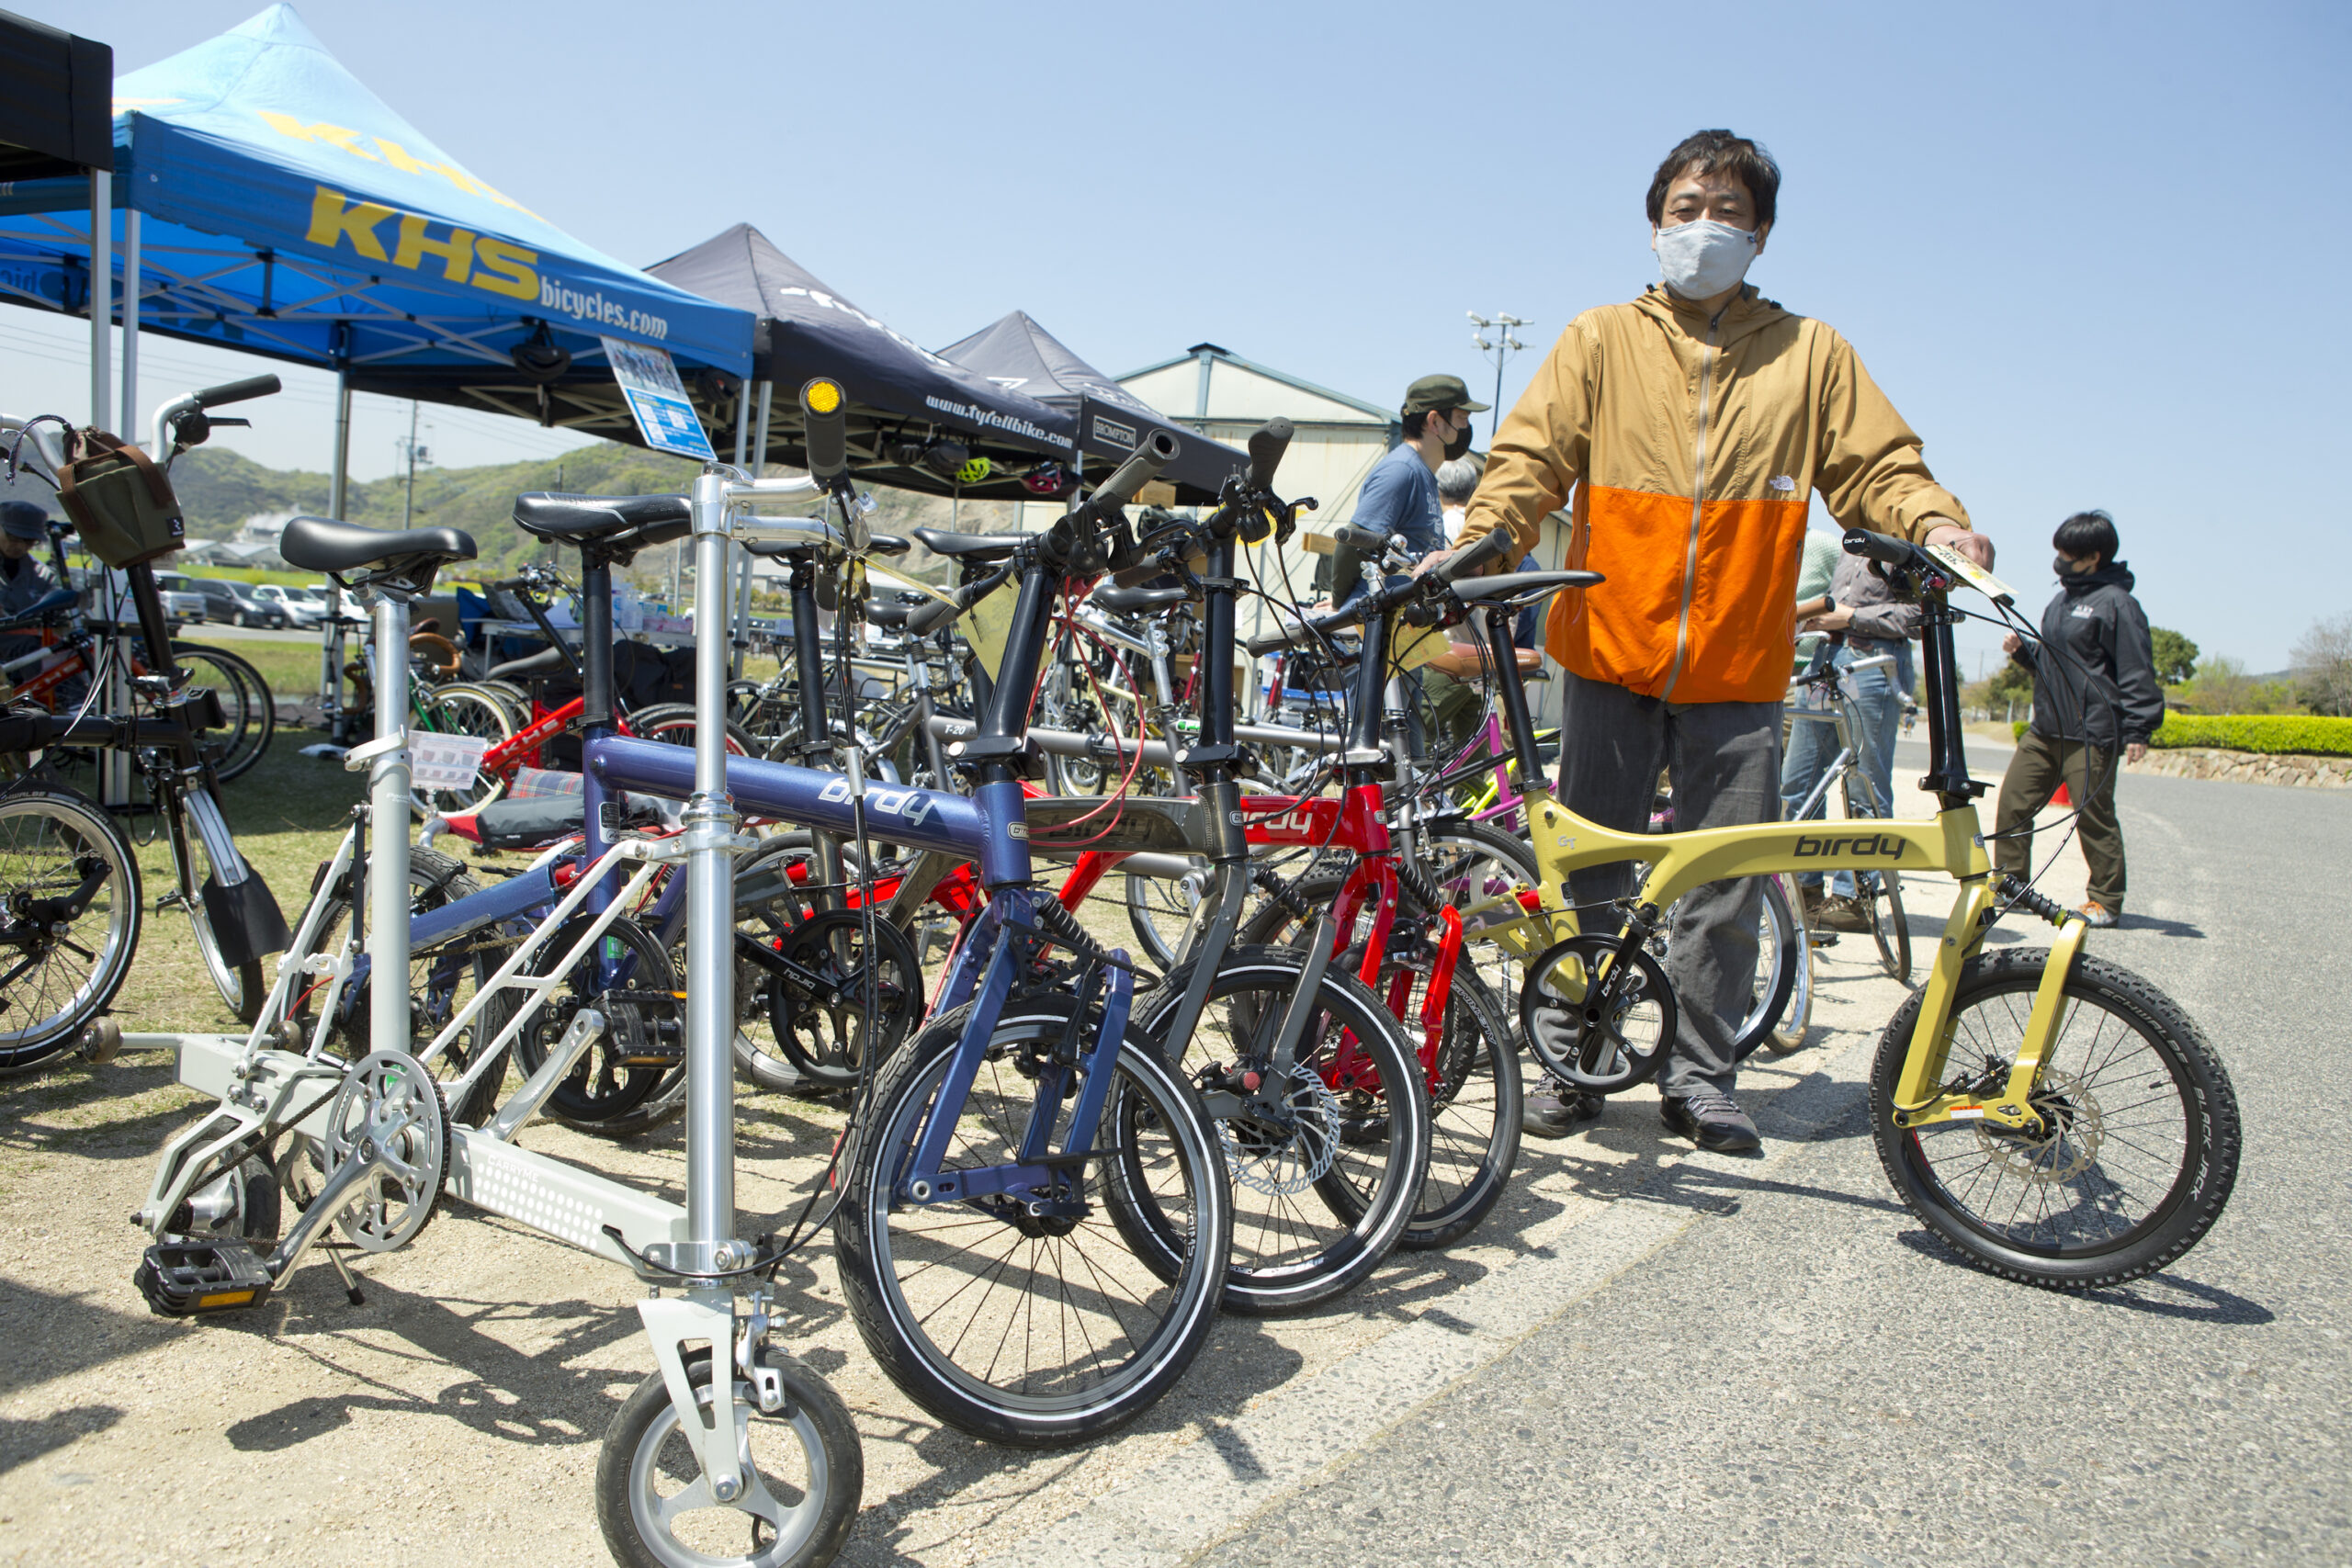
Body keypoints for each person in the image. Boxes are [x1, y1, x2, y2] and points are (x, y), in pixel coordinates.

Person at [1431, 129, 1994, 1152]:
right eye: (1685, 208)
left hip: (1738, 664)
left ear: (1762, 233)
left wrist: (1935, 522)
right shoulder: (1599, 338)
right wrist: (1485, 539)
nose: (1703, 228)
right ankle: (1573, 1056)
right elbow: (1526, 460)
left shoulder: (1810, 353)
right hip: (1606, 647)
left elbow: (1880, 467)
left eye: (1726, 212)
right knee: (1587, 873)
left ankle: (1701, 1078)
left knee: (1724, 881)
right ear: (1655, 223)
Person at [1991, 510, 2162, 928]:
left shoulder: (2119, 604)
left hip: (2092, 732)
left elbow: (2136, 669)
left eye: (2069, 553)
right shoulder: (2061, 600)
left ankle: (2104, 899)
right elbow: (2057, 665)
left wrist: (2139, 728)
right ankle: (2010, 887)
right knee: (2013, 804)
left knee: (2093, 815)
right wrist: (2024, 654)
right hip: (2046, 727)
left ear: (2093, 557)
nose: (2060, 559)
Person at [1782, 547, 1923, 931]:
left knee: (1866, 786)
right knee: (1797, 783)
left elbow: (1922, 618)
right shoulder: (1849, 546)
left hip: (1872, 663)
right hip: (1826, 658)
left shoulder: (1908, 550)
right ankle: (1804, 890)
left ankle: (1854, 897)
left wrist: (1853, 617)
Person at [1329, 375, 1487, 608]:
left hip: (1404, 620)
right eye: (1462, 418)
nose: (1466, 428)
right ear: (1434, 422)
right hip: (1378, 623)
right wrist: (1338, 605)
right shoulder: (1401, 470)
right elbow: (1352, 542)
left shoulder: (1422, 474)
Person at [1, 501, 63, 666]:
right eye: (14, 538)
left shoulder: (43, 576)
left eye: (29, 541)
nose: (20, 547)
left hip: (30, 653)